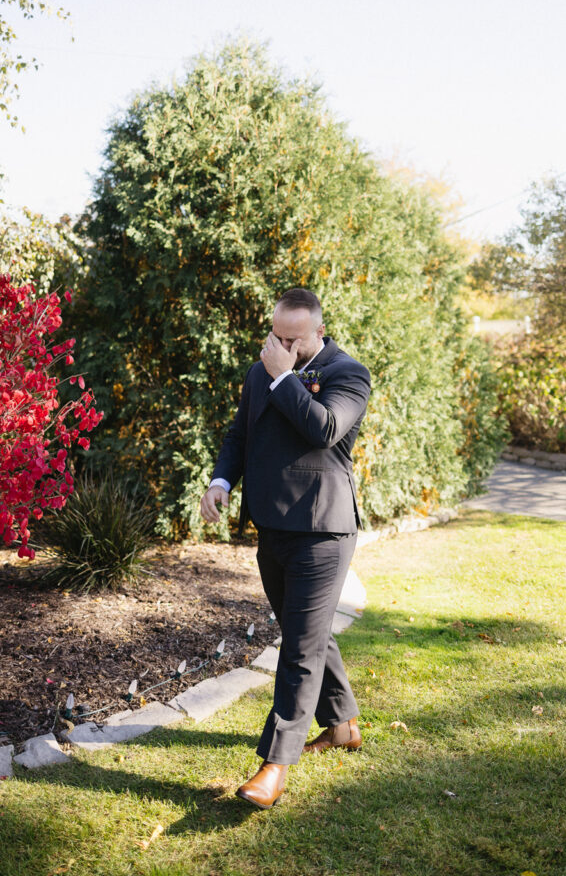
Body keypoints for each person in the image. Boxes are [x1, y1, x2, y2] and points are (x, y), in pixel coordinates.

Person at [200, 287, 371, 809]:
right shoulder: (262, 369)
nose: (283, 346)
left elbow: (324, 428)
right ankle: (342, 725)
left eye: (294, 339)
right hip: (271, 527)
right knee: (308, 632)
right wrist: (222, 481)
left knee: (298, 648)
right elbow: (240, 435)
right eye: (277, 335)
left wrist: (282, 376)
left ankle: (274, 766)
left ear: (319, 331)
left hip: (323, 530)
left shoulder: (348, 373)